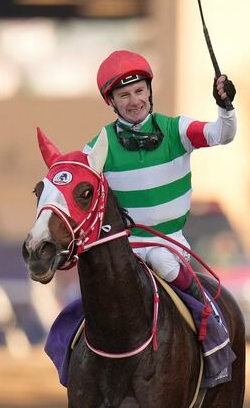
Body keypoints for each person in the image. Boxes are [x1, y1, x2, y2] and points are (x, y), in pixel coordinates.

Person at [83, 50, 236, 301]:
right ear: (110, 101)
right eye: (124, 95)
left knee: (161, 259)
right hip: (123, 248)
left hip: (169, 244)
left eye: (139, 91)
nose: (134, 101)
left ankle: (207, 316)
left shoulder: (177, 129)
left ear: (149, 92)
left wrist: (225, 107)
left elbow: (222, 134)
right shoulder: (99, 146)